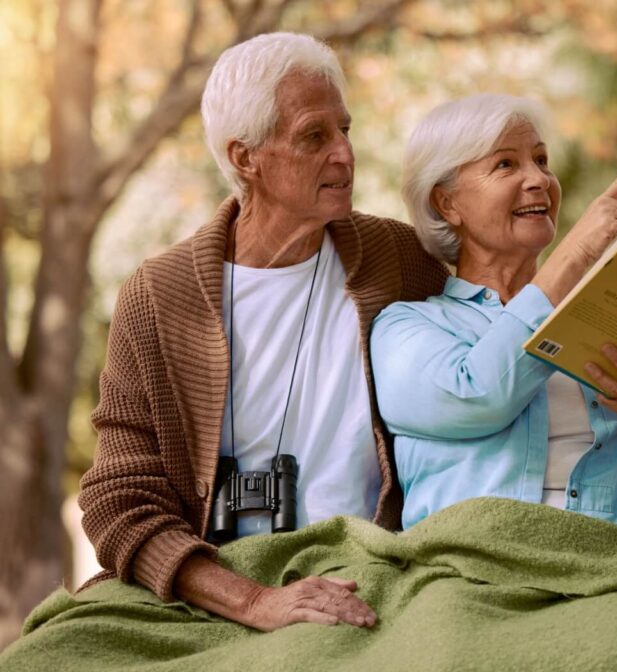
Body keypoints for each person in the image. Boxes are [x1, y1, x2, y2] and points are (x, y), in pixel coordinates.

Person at [76, 33, 448, 630]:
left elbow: (490, 325)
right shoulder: (156, 296)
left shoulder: (396, 258)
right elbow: (118, 500)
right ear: (245, 157)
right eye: (314, 136)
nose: (345, 155)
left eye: (345, 130)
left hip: (367, 571)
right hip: (216, 587)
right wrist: (252, 601)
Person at [370, 94, 617, 582]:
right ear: (446, 202)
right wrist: (577, 252)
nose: (539, 178)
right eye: (505, 164)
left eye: (542, 160)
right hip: (472, 584)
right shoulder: (408, 328)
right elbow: (481, 393)